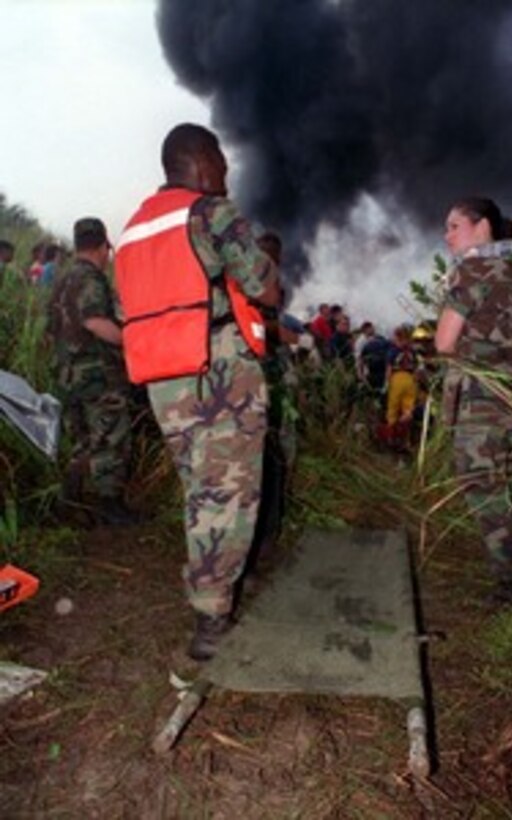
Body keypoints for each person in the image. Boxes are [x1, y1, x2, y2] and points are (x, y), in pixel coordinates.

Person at [114, 123, 279, 661]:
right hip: (219, 374)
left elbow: (126, 313)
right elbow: (262, 285)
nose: (226, 174)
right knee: (227, 492)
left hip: (165, 383)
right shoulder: (211, 213)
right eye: (221, 162)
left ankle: (219, 584)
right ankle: (211, 619)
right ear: (201, 160)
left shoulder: (134, 230)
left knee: (200, 488)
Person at [435, 196, 512, 607]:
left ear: (481, 227)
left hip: (482, 403)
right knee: (511, 489)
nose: (447, 235)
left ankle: (510, 586)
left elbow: (444, 341)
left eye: (454, 225)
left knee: (485, 492)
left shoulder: (472, 270)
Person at [47, 218, 135, 525]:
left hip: (67, 374)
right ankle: (109, 506)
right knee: (110, 437)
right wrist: (131, 341)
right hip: (96, 375)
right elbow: (95, 321)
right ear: (103, 247)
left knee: (83, 440)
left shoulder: (62, 279)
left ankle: (69, 503)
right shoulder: (90, 278)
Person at [385, 324, 419, 451]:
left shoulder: (393, 351)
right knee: (408, 410)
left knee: (392, 409)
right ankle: (406, 440)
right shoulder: (412, 352)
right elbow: (416, 370)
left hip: (397, 378)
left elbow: (388, 369)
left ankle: (392, 437)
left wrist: (386, 384)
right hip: (410, 380)